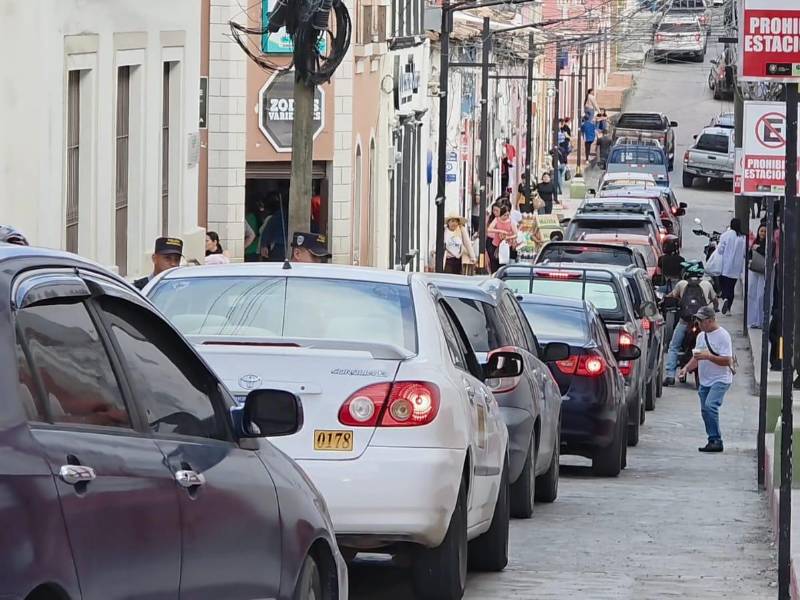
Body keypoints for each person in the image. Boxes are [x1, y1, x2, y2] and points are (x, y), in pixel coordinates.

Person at [678, 305, 733, 453]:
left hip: (720, 379)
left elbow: (727, 360)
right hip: (705, 380)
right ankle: (712, 439)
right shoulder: (701, 336)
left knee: (710, 406)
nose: (699, 324)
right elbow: (696, 358)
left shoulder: (723, 336)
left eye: (702, 321)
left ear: (710, 320)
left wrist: (708, 356)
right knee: (705, 410)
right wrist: (686, 368)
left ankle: (716, 439)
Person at [663, 264, 718, 386]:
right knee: (708, 347)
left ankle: (670, 376)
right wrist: (716, 308)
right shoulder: (707, 284)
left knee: (673, 346)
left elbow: (672, 296)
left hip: (685, 321)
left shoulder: (681, 284)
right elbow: (714, 299)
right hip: (702, 323)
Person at [716, 218, 746, 314]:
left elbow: (720, 250)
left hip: (725, 266)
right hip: (736, 268)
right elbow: (744, 253)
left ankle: (725, 298)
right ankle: (728, 308)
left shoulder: (725, 235)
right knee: (731, 287)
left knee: (724, 286)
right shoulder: (742, 238)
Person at [747, 224, 767, 328]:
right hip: (755, 270)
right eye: (761, 231)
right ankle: (754, 320)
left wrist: (757, 248)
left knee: (760, 296)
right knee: (752, 294)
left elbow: (766, 252)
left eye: (764, 231)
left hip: (763, 272)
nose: (762, 233)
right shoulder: (755, 241)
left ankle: (760, 321)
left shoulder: (767, 242)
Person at [487, 204, 518, 273]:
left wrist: (508, 237)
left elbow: (516, 234)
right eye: (505, 215)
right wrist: (499, 231)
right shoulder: (497, 219)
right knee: (494, 262)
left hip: (506, 245)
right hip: (496, 244)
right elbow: (489, 229)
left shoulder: (511, 221)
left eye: (507, 215)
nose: (506, 217)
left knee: (504, 263)